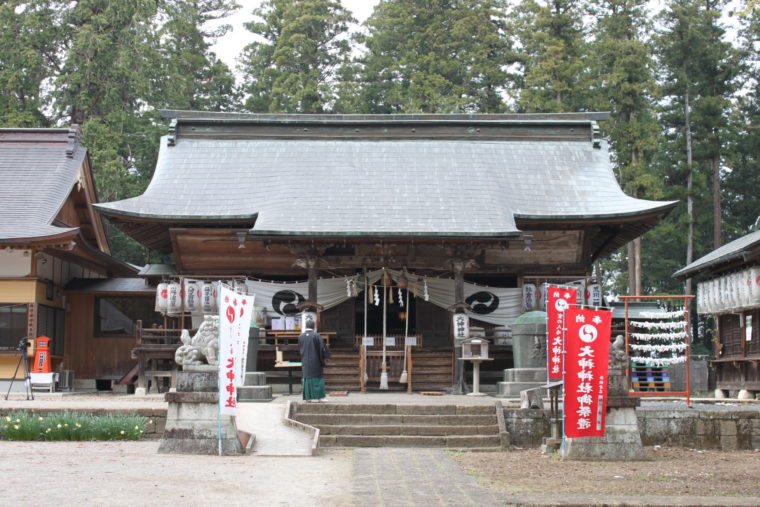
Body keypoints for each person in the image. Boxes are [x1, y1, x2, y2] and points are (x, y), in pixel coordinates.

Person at [298, 317, 331, 402]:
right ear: (314, 326)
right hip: (315, 361)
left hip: (305, 361)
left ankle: (307, 398)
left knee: (307, 379)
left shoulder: (301, 337)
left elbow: (300, 349)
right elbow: (322, 348)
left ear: (306, 326)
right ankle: (320, 397)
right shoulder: (316, 336)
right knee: (318, 379)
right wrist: (325, 357)